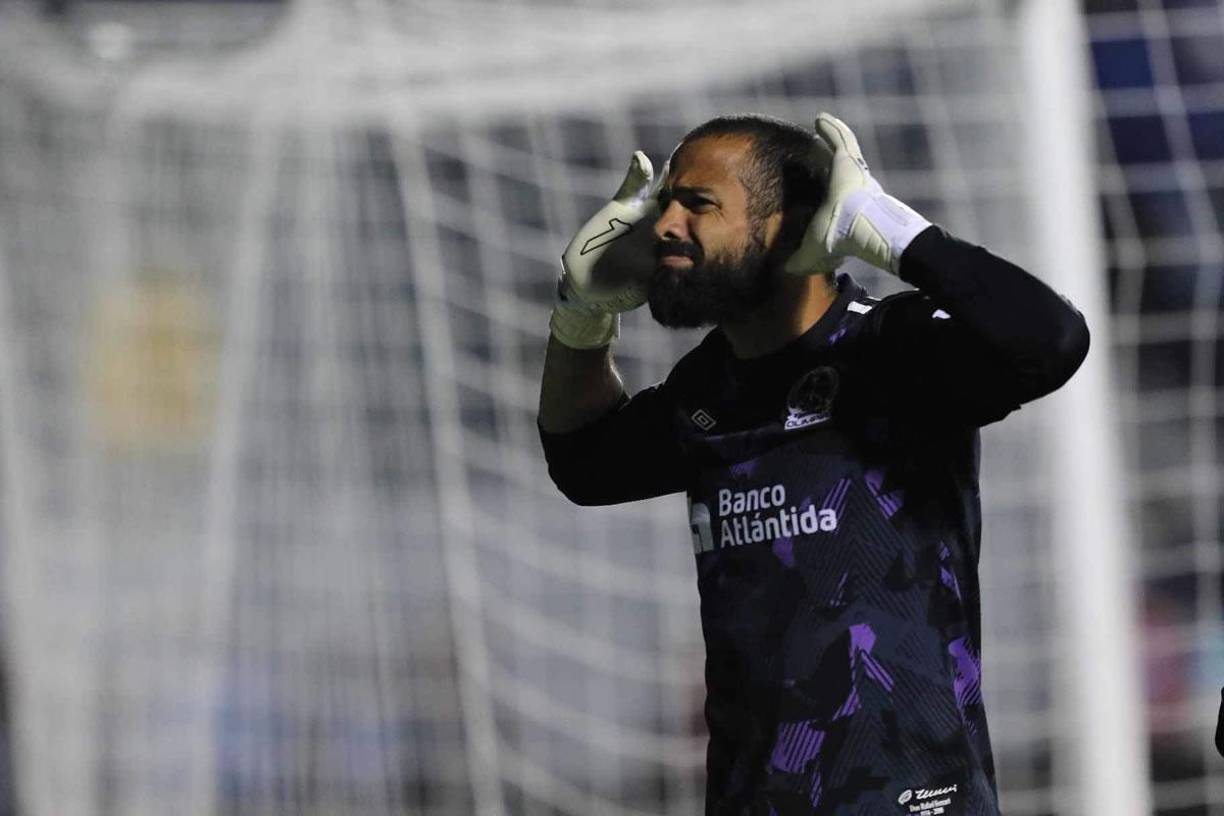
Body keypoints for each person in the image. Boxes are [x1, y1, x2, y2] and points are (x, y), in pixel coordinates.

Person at [537, 112, 1089, 815]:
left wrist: (893, 231)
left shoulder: (893, 348)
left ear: (790, 226)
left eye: (698, 204)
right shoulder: (707, 387)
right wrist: (580, 317)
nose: (665, 226)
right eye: (666, 204)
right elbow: (584, 464)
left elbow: (1054, 341)